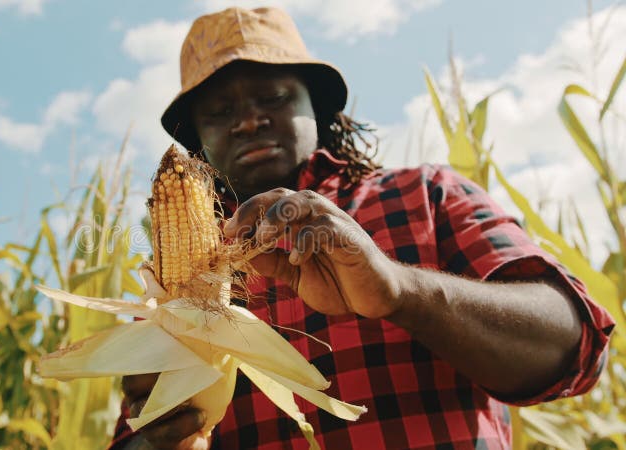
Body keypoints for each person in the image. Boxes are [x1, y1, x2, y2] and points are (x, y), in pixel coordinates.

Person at [110, 7, 614, 449]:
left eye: (274, 97)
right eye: (221, 113)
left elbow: (572, 345)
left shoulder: (427, 193)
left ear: (319, 111)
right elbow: (137, 436)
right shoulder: (173, 284)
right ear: (198, 140)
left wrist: (401, 291)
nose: (248, 122)